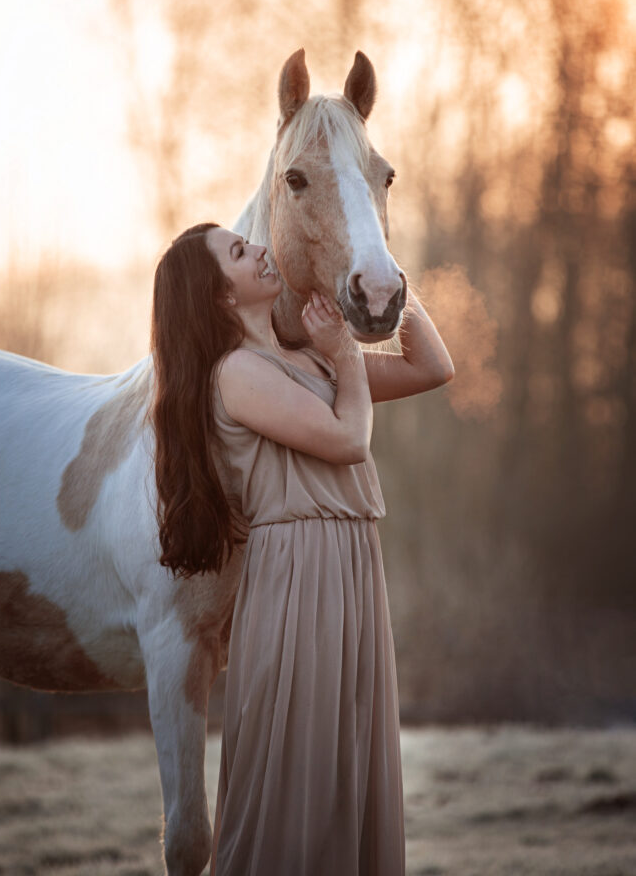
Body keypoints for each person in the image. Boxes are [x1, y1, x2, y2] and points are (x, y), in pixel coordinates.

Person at [150, 221, 454, 876]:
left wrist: (382, 268)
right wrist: (344, 352)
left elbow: (433, 366)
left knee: (346, 754)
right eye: (238, 252)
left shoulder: (308, 358)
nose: (258, 248)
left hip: (349, 566)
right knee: (298, 761)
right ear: (219, 298)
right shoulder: (237, 374)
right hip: (297, 572)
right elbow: (349, 440)